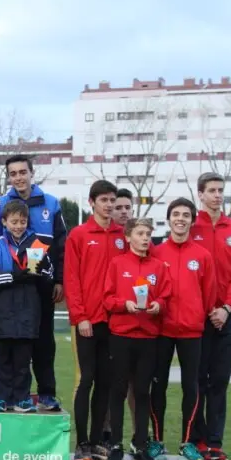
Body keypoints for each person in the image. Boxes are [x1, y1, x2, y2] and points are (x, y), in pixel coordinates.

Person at [0, 155, 67, 411]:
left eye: (23, 172)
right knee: (8, 348)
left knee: (44, 342)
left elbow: (60, 245)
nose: (19, 177)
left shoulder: (51, 204)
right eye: (14, 173)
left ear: (32, 173)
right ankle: (6, 396)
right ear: (9, 177)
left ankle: (45, 393)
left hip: (40, 288)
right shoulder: (1, 204)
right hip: (8, 292)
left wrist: (59, 279)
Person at [149, 198, 217, 460]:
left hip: (191, 331)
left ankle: (188, 442)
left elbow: (209, 295)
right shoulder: (155, 252)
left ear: (192, 220)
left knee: (192, 387)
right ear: (168, 219)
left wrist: (197, 314)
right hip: (160, 330)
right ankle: (157, 441)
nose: (180, 219)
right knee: (158, 387)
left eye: (186, 215)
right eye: (175, 214)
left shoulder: (202, 256)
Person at [189, 173, 231, 460]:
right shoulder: (190, 226)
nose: (217, 195)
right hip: (197, 316)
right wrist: (204, 310)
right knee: (197, 380)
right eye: (211, 190)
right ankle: (196, 439)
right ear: (200, 194)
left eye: (220, 190)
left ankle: (215, 441)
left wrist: (226, 308)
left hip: (226, 316)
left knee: (219, 381)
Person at [102, 217, 172, 460]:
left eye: (148, 234)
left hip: (148, 338)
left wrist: (158, 305)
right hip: (121, 335)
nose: (145, 238)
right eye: (141, 233)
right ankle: (116, 446)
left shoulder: (158, 267)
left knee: (142, 393)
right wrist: (125, 304)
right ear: (128, 236)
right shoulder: (117, 264)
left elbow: (165, 296)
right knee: (118, 391)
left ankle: (140, 445)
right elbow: (108, 298)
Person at [64, 180, 126, 460]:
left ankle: (99, 440)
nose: (110, 205)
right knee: (86, 379)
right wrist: (80, 316)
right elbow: (72, 279)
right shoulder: (78, 235)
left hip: (115, 323)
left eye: (112, 200)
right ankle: (82, 442)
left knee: (106, 382)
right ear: (92, 203)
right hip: (88, 320)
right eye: (104, 200)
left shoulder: (122, 236)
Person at [0, 199, 53, 412]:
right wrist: (13, 276)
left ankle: (22, 398)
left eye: (22, 221)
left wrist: (41, 272)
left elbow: (49, 275)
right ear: (4, 222)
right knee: (1, 361)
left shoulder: (37, 245)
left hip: (28, 314)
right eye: (14, 221)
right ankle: (1, 399)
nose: (18, 226)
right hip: (1, 315)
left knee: (23, 362)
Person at [102, 187, 136, 445]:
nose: (123, 212)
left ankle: (139, 436)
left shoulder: (141, 239)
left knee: (138, 386)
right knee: (110, 381)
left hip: (138, 327)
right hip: (105, 320)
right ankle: (107, 436)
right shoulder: (108, 238)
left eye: (127, 207)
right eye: (118, 207)